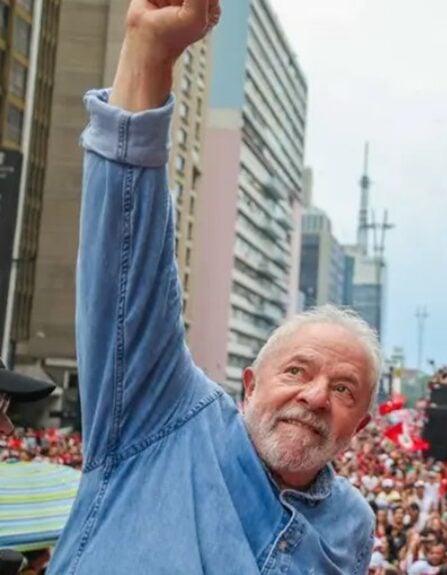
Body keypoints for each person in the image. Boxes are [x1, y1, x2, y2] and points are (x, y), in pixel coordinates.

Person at [47, 1, 377, 572]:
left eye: (345, 390)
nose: (317, 396)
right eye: (296, 370)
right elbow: (128, 266)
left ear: (360, 427)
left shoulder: (352, 526)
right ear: (248, 385)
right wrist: (149, 51)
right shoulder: (161, 417)